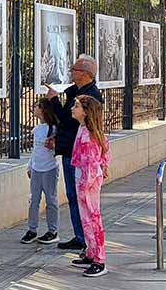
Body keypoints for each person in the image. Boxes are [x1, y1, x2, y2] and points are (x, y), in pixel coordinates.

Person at [48, 54, 104, 252]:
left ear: (85, 74)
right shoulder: (76, 93)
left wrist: (54, 100)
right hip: (70, 150)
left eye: (75, 69)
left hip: (79, 158)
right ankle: (82, 237)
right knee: (73, 197)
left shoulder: (90, 97)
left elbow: (66, 119)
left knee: (84, 201)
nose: (71, 72)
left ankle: (89, 243)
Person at [70, 95, 111, 277]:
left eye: (76, 106)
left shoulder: (89, 135)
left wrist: (85, 185)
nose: (73, 108)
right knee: (85, 219)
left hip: (88, 182)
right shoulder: (83, 129)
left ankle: (99, 260)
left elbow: (92, 163)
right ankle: (90, 252)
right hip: (83, 179)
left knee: (93, 218)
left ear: (86, 112)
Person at [21, 98, 61, 245]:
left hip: (49, 169)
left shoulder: (54, 129)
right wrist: (30, 166)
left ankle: (53, 230)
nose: (34, 108)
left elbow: (59, 149)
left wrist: (54, 146)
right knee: (34, 200)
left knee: (51, 200)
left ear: (43, 109)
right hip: (36, 170)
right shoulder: (37, 129)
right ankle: (32, 229)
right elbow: (35, 150)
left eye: (36, 106)